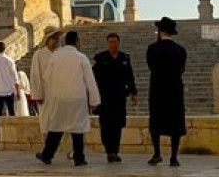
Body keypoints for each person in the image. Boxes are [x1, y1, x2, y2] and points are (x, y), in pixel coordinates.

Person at [35, 31, 100, 167]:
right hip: (77, 98)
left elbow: (46, 77)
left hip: (59, 98)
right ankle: (79, 158)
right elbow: (90, 81)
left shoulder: (55, 57)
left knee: (56, 127)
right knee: (78, 129)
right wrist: (94, 101)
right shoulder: (81, 58)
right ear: (77, 41)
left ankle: (47, 155)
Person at [147, 17, 187, 167]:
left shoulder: (152, 49)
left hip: (157, 90)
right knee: (175, 124)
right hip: (175, 91)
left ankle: (157, 153)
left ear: (160, 31)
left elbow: (151, 67)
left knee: (156, 122)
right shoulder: (180, 50)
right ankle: (174, 157)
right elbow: (182, 69)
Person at [93, 33, 138, 163]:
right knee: (106, 125)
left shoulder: (125, 58)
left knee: (118, 125)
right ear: (107, 43)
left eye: (115, 42)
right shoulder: (100, 58)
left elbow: (130, 76)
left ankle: (115, 151)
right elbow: (93, 76)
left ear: (119, 43)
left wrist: (133, 93)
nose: (113, 44)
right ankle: (109, 151)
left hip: (119, 97)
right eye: (110, 42)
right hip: (105, 98)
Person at [30, 26, 63, 138]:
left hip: (60, 91)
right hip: (46, 92)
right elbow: (36, 75)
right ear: (47, 39)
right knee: (46, 120)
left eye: (56, 38)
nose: (55, 40)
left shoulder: (60, 53)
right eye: (53, 38)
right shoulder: (39, 55)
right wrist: (38, 94)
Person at [0, 41, 20, 134]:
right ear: (5, 48)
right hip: (8, 90)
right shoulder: (9, 60)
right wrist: (18, 92)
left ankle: (0, 133)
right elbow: (15, 77)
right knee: (11, 112)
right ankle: (13, 132)